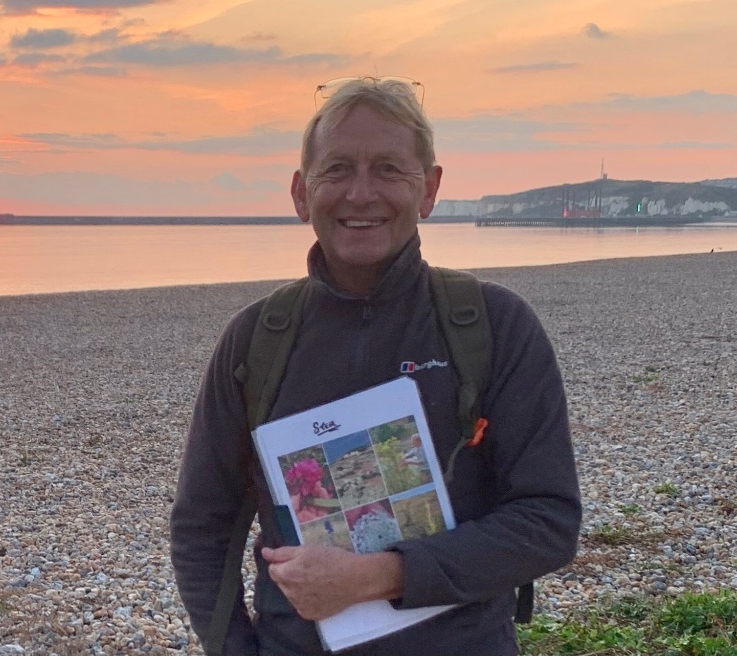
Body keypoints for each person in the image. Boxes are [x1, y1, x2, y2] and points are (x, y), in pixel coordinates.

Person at [170, 77, 582, 656]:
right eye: (336, 169)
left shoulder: (494, 324)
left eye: (389, 169)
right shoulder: (255, 341)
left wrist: (380, 575)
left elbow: (548, 520)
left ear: (430, 189)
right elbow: (201, 526)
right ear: (300, 192)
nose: (360, 194)